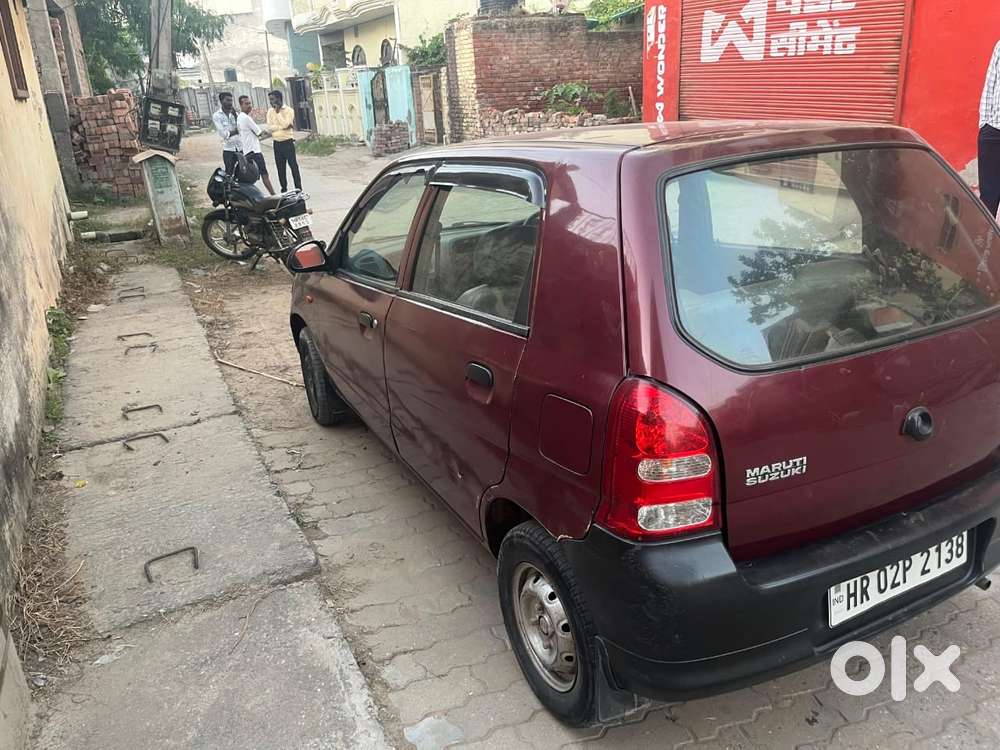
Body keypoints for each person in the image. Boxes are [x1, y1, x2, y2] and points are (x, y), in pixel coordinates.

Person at [236, 95, 275, 195]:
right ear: (241, 105)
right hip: (255, 152)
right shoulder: (246, 118)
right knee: (264, 175)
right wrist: (273, 132)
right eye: (246, 104)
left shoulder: (240, 117)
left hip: (247, 152)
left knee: (251, 177)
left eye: (249, 103)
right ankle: (274, 195)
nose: (249, 106)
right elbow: (260, 133)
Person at [979, 39, 1000, 218]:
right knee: (988, 200)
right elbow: (990, 84)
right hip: (993, 131)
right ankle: (986, 235)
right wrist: (984, 124)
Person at [266, 90, 302, 193]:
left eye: (272, 99)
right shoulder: (270, 111)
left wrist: (278, 113)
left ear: (279, 99)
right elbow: (269, 127)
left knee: (293, 167)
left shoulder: (289, 110)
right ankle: (284, 190)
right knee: (280, 169)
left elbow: (287, 124)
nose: (271, 102)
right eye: (270, 100)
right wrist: (281, 127)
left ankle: (298, 189)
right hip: (277, 143)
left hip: (288, 142)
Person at [212, 92, 240, 174]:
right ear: (221, 101)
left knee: (243, 173)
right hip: (228, 149)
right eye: (228, 100)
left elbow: (241, 128)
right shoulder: (217, 116)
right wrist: (236, 131)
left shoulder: (235, 114)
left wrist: (236, 116)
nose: (230, 103)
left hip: (240, 147)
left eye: (231, 100)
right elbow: (223, 134)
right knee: (229, 173)